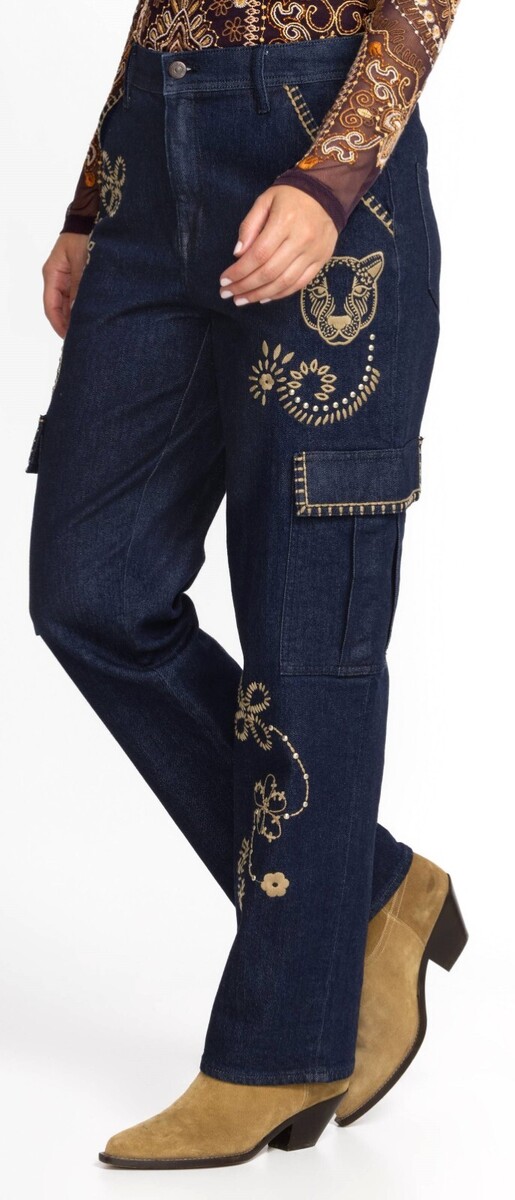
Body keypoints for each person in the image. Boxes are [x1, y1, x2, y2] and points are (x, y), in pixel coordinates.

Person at [26, 0, 467, 1170]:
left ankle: (282, 1047)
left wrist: (331, 177)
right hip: (152, 151)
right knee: (89, 588)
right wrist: (93, 199)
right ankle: (368, 892)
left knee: (302, 624)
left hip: (319, 142)